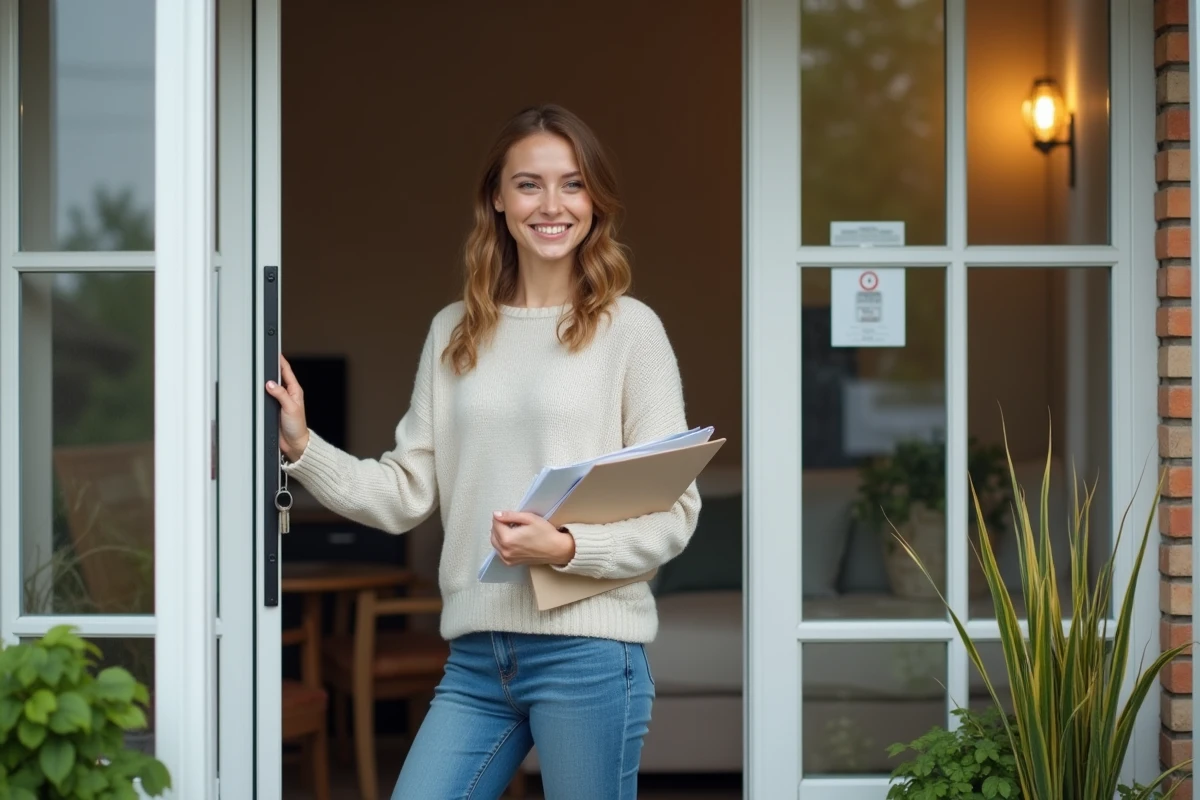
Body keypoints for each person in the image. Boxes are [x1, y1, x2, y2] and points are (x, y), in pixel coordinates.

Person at [265, 103, 701, 799]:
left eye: (573, 184)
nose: (552, 204)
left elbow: (673, 512)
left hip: (588, 654)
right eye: (529, 184)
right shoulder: (453, 332)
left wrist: (563, 550)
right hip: (476, 658)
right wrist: (303, 445)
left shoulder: (630, 331)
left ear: (595, 202)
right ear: (497, 198)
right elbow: (404, 494)